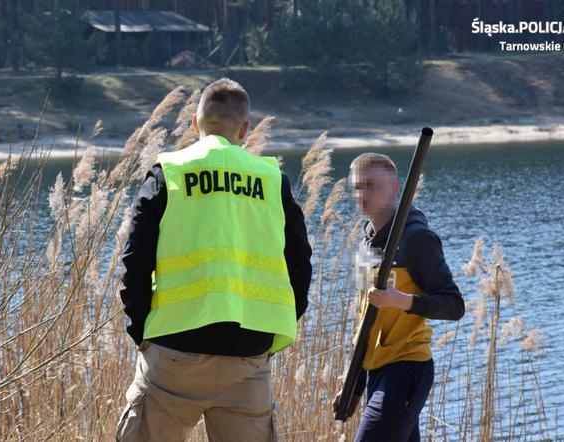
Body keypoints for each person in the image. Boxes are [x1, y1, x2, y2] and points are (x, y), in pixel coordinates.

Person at [116, 78, 312, 442]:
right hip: (247, 356)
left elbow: (135, 257)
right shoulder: (271, 179)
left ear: (195, 123)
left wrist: (140, 329)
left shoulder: (169, 172)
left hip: (174, 348)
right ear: (246, 129)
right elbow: (300, 261)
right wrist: (273, 330)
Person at [333, 153, 464, 442]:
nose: (362, 194)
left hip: (407, 368)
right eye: (357, 187)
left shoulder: (417, 238)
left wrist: (401, 301)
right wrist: (354, 382)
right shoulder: (366, 241)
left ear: (395, 188)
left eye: (371, 185)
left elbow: (454, 305)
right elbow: (364, 319)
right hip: (376, 371)